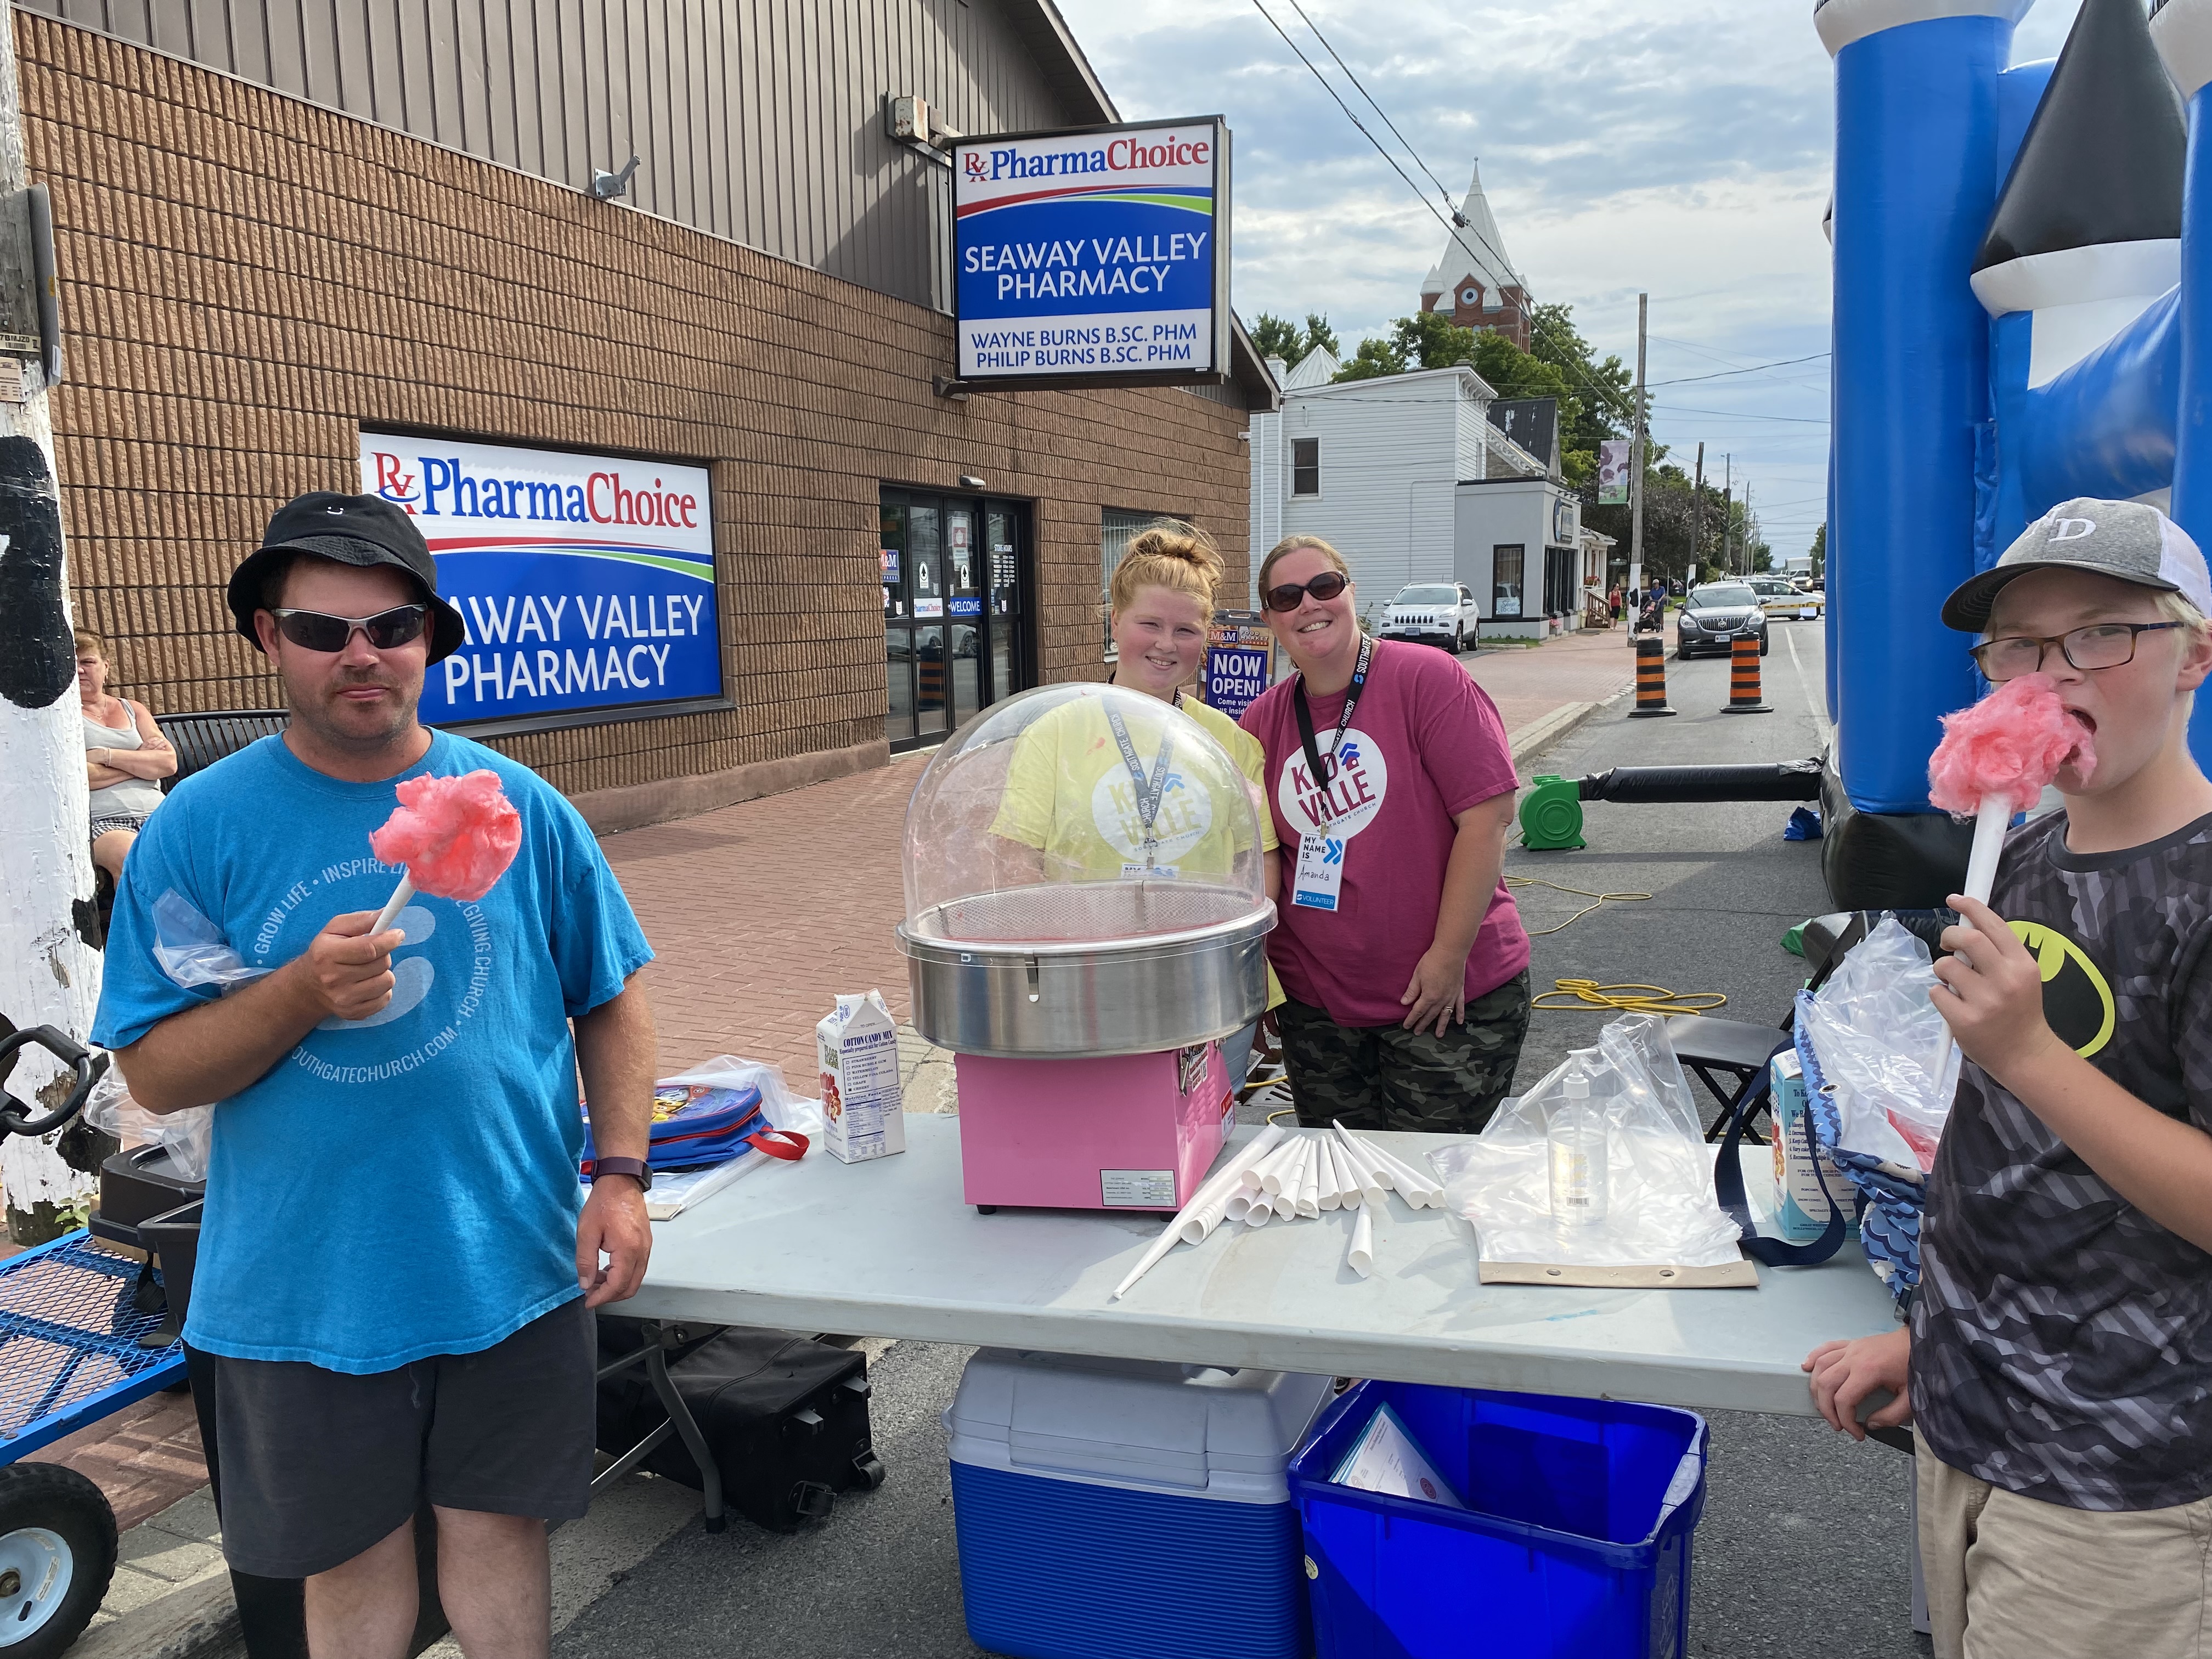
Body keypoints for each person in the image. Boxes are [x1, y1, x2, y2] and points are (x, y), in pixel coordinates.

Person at [92, 493, 658, 1659]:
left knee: (501, 1540)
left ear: (431, 641)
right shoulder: (196, 830)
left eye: (392, 627)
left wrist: (622, 1174)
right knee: (349, 1571)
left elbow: (610, 992)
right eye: (321, 629)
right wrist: (300, 990)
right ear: (266, 638)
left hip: (510, 1253)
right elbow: (150, 1070)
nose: (361, 654)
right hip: (301, 1279)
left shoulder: (520, 809)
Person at [1802, 499, 2212, 1659]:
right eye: (2019, 648)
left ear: (2197, 654)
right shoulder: (2021, 858)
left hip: (2121, 1483)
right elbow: (2005, 1164)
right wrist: (1937, 1338)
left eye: (2099, 634)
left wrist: (2028, 1054)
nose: (2049, 671)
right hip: (1972, 1422)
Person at [1238, 534, 1528, 1133]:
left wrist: (1448, 960)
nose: (1309, 606)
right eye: (1287, 597)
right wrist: (1264, 985)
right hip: (1319, 1005)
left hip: (1443, 997)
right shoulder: (1263, 721)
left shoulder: (1427, 678)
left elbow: (1488, 818)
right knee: (1342, 1182)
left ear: (1351, 591)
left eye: (1324, 586)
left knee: (1426, 1191)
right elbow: (1258, 860)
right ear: (1268, 618)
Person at [992, 520, 1281, 1084]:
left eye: (1186, 629)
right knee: (1106, 1154)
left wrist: (1234, 943)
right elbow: (1014, 856)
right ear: (1115, 620)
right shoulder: (1055, 732)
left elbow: (1260, 862)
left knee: (1202, 1153)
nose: (1166, 644)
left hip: (1208, 991)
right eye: (1149, 623)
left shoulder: (1231, 743)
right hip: (1091, 990)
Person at [77, 628, 175, 878]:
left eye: (88, 662)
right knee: (133, 859)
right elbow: (80, 777)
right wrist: (139, 766)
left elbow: (167, 763)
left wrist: (106, 756)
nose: (79, 670)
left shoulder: (133, 709)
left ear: (106, 667)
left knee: (212, 850)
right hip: (105, 824)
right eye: (71, 663)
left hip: (160, 813)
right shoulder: (63, 719)